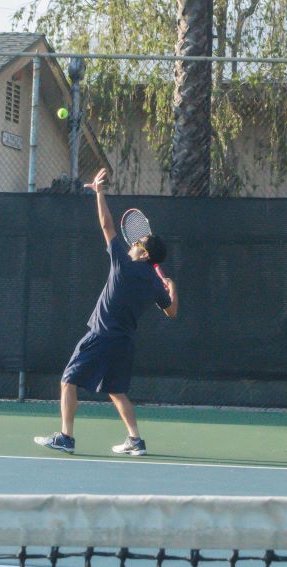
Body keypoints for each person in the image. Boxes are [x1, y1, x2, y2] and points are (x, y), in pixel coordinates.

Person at [34, 168, 178, 456]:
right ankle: (135, 440)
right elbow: (171, 312)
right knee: (116, 390)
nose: (134, 244)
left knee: (68, 380)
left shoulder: (123, 265)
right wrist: (172, 287)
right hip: (123, 343)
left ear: (145, 254)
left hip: (101, 336)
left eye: (138, 244)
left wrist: (99, 193)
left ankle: (65, 437)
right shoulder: (154, 282)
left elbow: (106, 225)